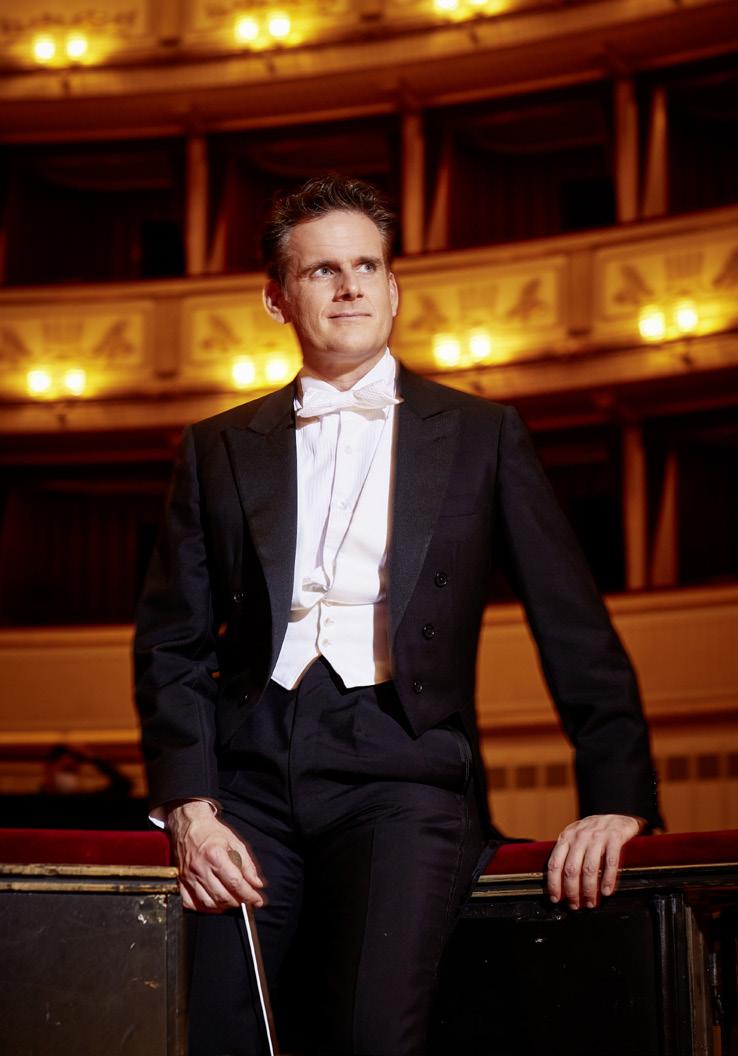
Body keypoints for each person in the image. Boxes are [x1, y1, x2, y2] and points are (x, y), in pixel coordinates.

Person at [134, 175, 662, 1056]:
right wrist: (189, 804)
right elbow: (173, 642)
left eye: (367, 266)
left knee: (372, 1038)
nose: (350, 287)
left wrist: (617, 800)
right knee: (219, 1033)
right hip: (246, 775)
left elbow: (573, 626)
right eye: (322, 270)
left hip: (404, 767)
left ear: (394, 286)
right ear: (276, 298)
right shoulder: (217, 445)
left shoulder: (482, 434)